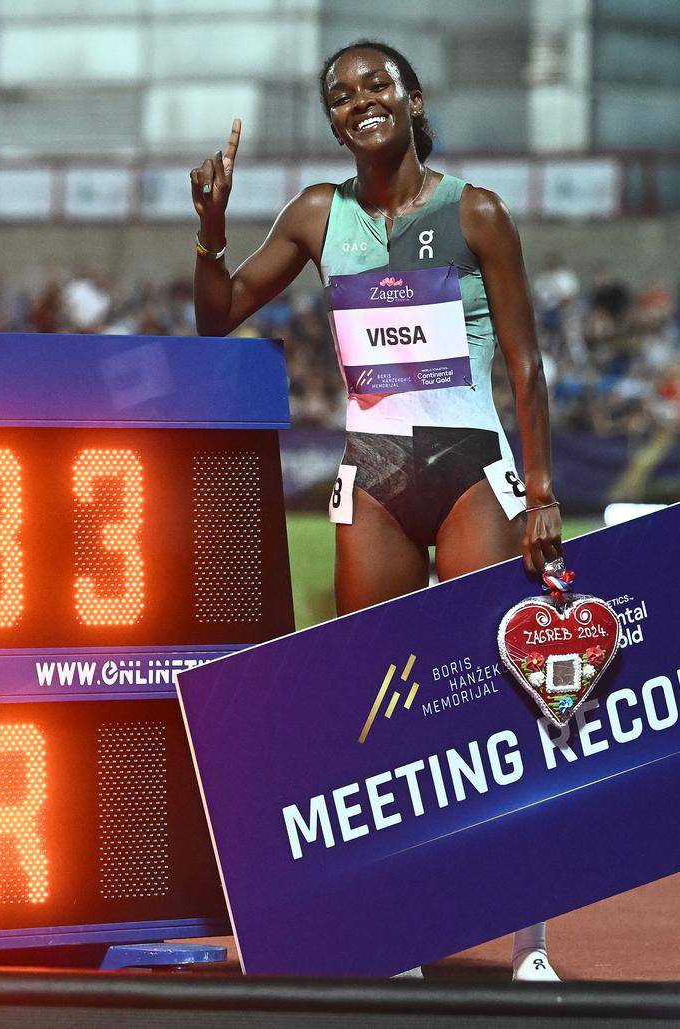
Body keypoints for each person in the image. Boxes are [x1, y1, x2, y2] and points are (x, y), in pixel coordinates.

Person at [190, 40, 564, 982]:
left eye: (375, 85)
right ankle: (394, 922)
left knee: (503, 692)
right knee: (380, 703)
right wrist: (209, 228)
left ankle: (530, 942)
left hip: (475, 469)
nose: (358, 101)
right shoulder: (320, 215)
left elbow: (525, 364)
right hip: (377, 478)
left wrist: (545, 494)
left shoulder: (475, 213)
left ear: (411, 98)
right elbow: (218, 312)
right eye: (340, 94)